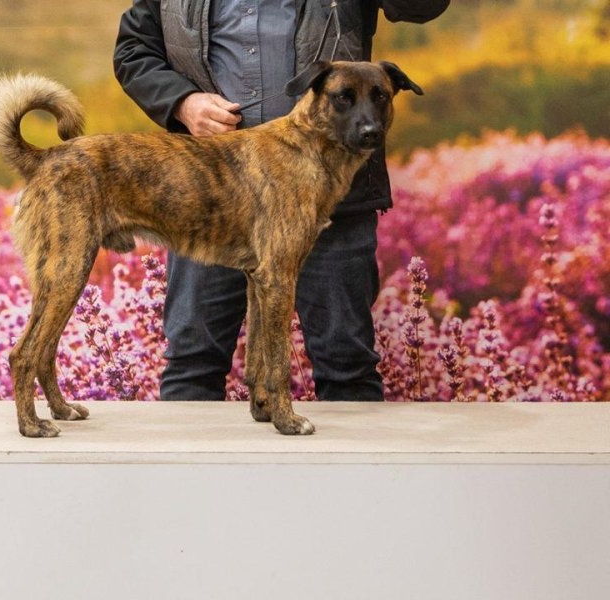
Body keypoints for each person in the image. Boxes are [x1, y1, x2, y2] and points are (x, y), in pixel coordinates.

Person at [113, 0, 449, 402]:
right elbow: (133, 50)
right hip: (211, 201)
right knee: (192, 364)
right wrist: (182, 103)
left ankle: (356, 467)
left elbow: (422, 6)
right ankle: (191, 466)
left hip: (332, 204)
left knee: (346, 365)